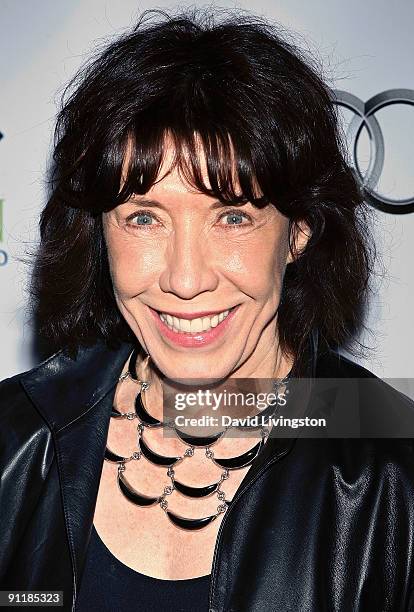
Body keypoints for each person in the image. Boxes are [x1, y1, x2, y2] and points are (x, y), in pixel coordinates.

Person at [1, 8, 414, 612]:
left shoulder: (392, 475)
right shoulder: (13, 442)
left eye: (233, 218)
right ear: (99, 236)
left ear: (298, 230)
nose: (186, 280)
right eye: (143, 218)